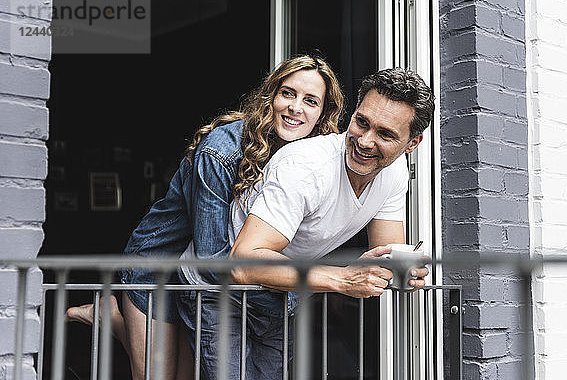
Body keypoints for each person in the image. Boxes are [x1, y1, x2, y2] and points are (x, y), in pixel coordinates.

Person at [66, 54, 345, 380]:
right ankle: (115, 315)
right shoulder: (221, 150)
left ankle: (113, 316)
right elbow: (214, 257)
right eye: (287, 93)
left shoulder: (306, 160)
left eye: (310, 100)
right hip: (162, 265)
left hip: (206, 283)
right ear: (271, 96)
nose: (296, 107)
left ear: (323, 113)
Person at [177, 67, 435, 378]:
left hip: (278, 291)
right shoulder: (305, 166)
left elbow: (385, 253)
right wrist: (341, 279)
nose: (365, 141)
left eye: (385, 134)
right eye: (361, 122)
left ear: (413, 143)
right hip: (219, 290)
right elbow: (242, 263)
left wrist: (403, 272)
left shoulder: (394, 174)